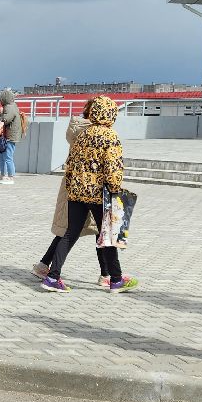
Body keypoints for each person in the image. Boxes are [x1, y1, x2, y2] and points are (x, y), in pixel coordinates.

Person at [41, 96, 136, 293]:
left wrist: (73, 186)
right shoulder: (110, 136)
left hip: (76, 191)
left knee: (69, 234)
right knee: (108, 234)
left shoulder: (83, 134)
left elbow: (71, 163)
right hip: (99, 194)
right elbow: (113, 168)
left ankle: (52, 276)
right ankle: (116, 279)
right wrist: (115, 189)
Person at [33, 101, 101, 280]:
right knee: (95, 231)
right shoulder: (97, 132)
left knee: (69, 230)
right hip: (92, 186)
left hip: (72, 184)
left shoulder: (76, 130)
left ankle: (44, 266)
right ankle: (107, 275)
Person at [0, 89, 27, 184]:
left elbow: (7, 118)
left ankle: (10, 176)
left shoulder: (9, 107)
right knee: (3, 156)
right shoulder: (12, 106)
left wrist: (1, 117)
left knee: (7, 156)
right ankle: (4, 175)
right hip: (9, 135)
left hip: (10, 136)